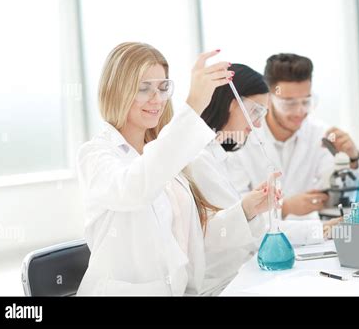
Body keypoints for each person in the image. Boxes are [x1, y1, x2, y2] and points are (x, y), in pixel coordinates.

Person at [76, 43, 272, 296]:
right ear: (117, 90)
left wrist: (246, 210)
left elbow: (192, 241)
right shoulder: (95, 155)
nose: (156, 99)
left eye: (162, 87)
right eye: (143, 88)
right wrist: (193, 106)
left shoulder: (163, 156)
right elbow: (135, 189)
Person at [188, 64, 342, 254]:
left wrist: (323, 229)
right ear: (232, 104)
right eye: (255, 112)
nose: (258, 123)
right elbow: (223, 235)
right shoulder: (200, 160)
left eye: (262, 113)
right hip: (223, 277)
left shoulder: (218, 157)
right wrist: (249, 208)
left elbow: (254, 229)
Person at [227, 54, 359, 221]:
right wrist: (285, 208)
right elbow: (233, 212)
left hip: (311, 240)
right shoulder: (241, 138)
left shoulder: (320, 135)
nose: (300, 112)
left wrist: (352, 159)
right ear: (268, 98)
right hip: (257, 245)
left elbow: (339, 199)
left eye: (306, 102)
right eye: (289, 103)